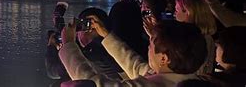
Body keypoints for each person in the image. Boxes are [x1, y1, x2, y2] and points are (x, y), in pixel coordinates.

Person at [59, 18, 206, 86]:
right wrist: (106, 35)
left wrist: (68, 44)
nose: (148, 48)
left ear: (164, 58)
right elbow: (135, 64)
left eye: (151, 45)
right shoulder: (187, 78)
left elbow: (91, 82)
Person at [174, 0, 217, 74]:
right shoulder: (206, 37)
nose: (174, 13)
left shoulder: (194, 40)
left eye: (176, 10)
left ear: (187, 12)